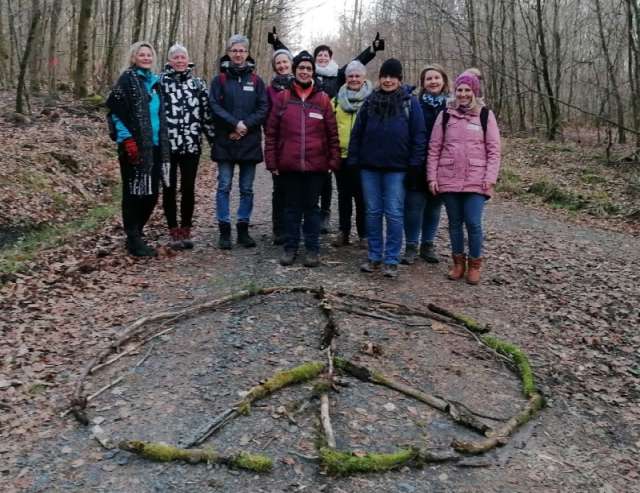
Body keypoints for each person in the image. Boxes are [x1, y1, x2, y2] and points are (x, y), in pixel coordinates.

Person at [267, 30, 385, 234]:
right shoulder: (303, 74)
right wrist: (277, 43)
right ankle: (293, 227)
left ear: (330, 58)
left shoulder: (338, 75)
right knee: (304, 186)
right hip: (307, 133)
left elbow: (356, 65)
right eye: (319, 55)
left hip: (327, 128)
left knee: (328, 183)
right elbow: (290, 59)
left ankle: (325, 214)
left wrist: (372, 50)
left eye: (325, 55)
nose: (322, 57)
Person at [347, 58, 426, 278]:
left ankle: (391, 259)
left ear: (399, 79)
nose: (388, 80)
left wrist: (414, 166)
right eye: (385, 76)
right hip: (369, 168)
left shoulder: (410, 103)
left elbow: (419, 137)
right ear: (379, 78)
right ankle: (374, 256)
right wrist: (353, 161)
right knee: (372, 212)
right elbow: (357, 134)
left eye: (393, 76)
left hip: (398, 170)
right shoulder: (370, 102)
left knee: (393, 213)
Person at [264, 51, 340, 268]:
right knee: (291, 208)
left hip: (317, 166)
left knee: (312, 208)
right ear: (295, 71)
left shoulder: (323, 99)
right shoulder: (283, 98)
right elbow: (272, 133)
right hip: (289, 164)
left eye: (308, 69)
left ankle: (313, 249)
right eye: (301, 68)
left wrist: (332, 162)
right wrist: (272, 162)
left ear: (313, 72)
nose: (305, 72)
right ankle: (290, 247)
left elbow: (332, 134)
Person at [427, 72, 501, 285]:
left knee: (473, 222)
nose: (463, 94)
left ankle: (475, 265)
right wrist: (432, 177)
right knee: (454, 223)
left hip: (476, 179)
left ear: (475, 92)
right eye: (460, 90)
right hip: (448, 177)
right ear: (455, 92)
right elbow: (434, 148)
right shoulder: (446, 115)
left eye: (467, 90)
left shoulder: (486, 115)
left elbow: (494, 151)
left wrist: (490, 177)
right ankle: (458, 263)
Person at [106, 41, 171, 257]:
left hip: (153, 147)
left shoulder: (155, 82)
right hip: (134, 147)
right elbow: (116, 109)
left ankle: (137, 232)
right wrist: (127, 140)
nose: (146, 58)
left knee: (151, 194)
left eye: (149, 55)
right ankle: (133, 239)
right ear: (134, 57)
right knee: (133, 193)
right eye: (141, 55)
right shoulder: (128, 79)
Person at [209, 34, 268, 250]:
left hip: (249, 142)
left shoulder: (256, 81)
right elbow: (214, 106)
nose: (238, 54)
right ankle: (224, 230)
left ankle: (243, 228)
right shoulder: (220, 80)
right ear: (229, 52)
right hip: (225, 141)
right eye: (234, 50)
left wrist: (244, 127)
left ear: (247, 54)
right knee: (224, 186)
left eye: (242, 50)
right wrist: (234, 124)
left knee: (247, 188)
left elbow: (263, 108)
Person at [160, 43, 215, 250]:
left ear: (188, 60)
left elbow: (206, 114)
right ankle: (173, 230)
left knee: (189, 188)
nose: (180, 61)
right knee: (169, 188)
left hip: (192, 146)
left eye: (183, 57)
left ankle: (186, 229)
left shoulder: (197, 84)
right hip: (167, 148)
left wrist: (214, 141)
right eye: (176, 58)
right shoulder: (160, 83)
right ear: (170, 61)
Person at [402, 63, 449, 264]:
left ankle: (427, 245)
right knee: (413, 206)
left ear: (444, 81)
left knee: (434, 206)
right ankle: (411, 246)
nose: (433, 81)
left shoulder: (452, 106)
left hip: (443, 164)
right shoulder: (413, 104)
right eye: (429, 78)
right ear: (423, 83)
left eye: (436, 78)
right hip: (417, 162)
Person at [331, 60, 372, 248]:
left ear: (364, 78)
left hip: (364, 157)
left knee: (362, 197)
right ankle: (344, 231)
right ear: (345, 78)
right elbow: (329, 126)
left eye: (357, 76)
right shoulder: (336, 100)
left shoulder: (372, 100)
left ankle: (364, 234)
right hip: (342, 155)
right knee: (343, 195)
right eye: (350, 76)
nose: (354, 79)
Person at [266, 48, 295, 245]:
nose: (283, 66)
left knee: (296, 188)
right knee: (279, 188)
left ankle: (294, 227)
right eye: (279, 63)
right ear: (275, 67)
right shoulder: (269, 90)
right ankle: (278, 229)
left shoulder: (300, 85)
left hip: (297, 143)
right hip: (278, 143)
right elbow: (266, 117)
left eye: (285, 62)